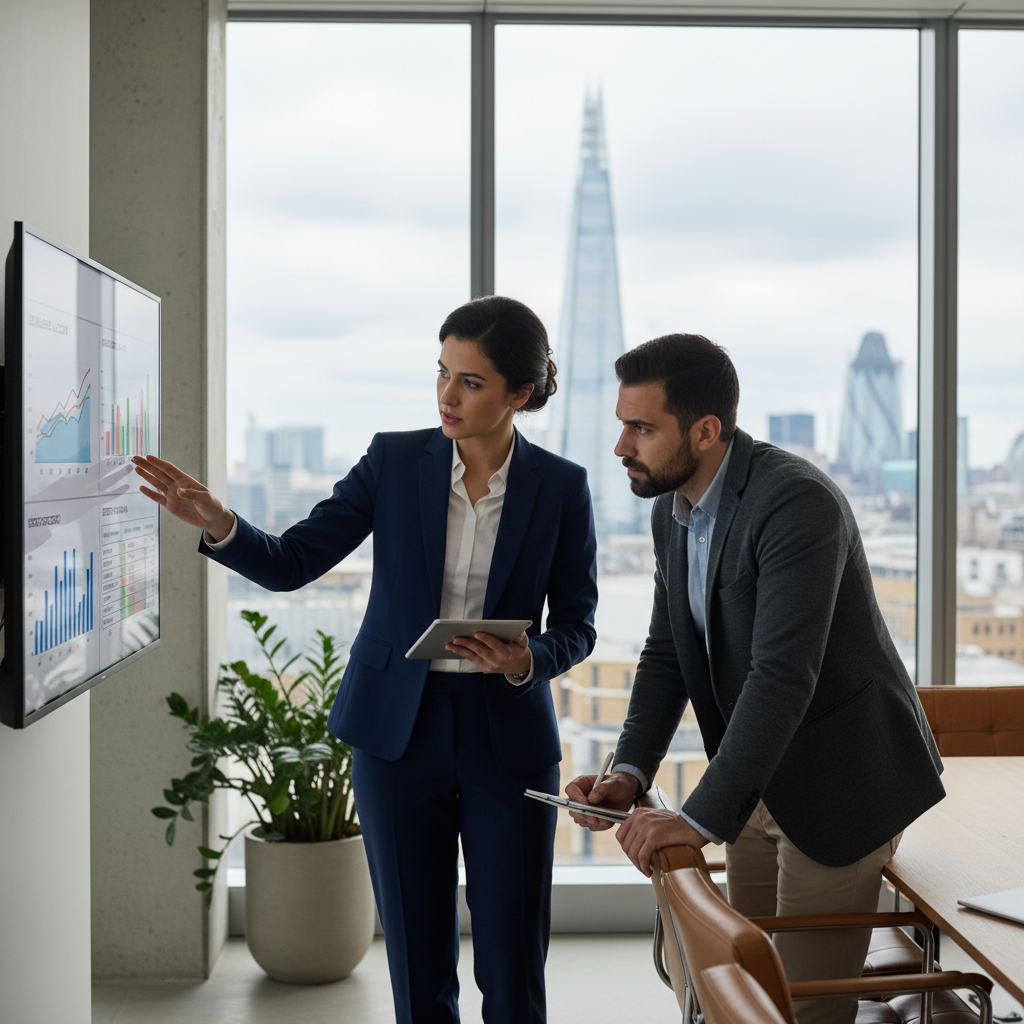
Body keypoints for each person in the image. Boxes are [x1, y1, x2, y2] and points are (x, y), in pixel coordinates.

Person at [133, 296, 598, 1024]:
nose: (447, 395)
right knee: (416, 960)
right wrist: (222, 525)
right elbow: (294, 561)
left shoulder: (561, 487)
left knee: (512, 962)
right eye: (442, 372)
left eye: (471, 382)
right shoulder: (393, 460)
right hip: (395, 733)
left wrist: (525, 656)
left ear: (521, 394)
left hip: (505, 731)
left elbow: (578, 625)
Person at [565, 333, 943, 1024]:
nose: (621, 446)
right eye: (623, 424)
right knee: (741, 989)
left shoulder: (796, 502)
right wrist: (628, 770)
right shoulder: (670, 511)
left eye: (642, 428)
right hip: (756, 778)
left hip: (840, 784)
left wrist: (697, 818)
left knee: (795, 1011)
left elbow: (780, 675)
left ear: (705, 431)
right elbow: (666, 653)